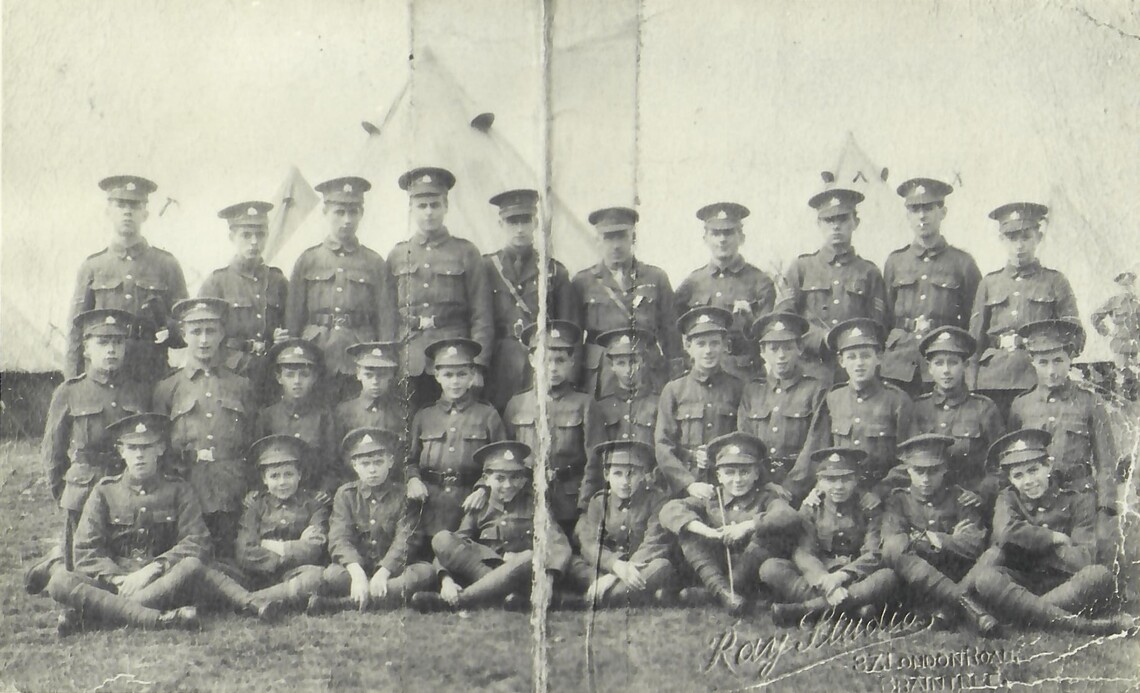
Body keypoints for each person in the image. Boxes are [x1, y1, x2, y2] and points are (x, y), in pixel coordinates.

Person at [44, 413, 279, 636]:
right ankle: (159, 619)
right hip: (116, 584)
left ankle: (100, 615)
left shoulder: (179, 489)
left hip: (163, 583)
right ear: (121, 451)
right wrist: (117, 579)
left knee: (192, 565)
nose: (139, 456)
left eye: (146, 448)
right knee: (60, 580)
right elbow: (86, 551)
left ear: (160, 449)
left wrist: (152, 570)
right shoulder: (104, 492)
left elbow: (197, 541)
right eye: (133, 448)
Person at [28, 309, 150, 590]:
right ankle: (58, 566)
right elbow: (53, 453)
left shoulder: (139, 391)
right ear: (87, 347)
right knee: (80, 569)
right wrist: (65, 492)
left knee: (122, 558)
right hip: (84, 487)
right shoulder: (70, 392)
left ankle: (56, 564)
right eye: (102, 343)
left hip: (125, 485)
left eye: (117, 343)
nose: (111, 350)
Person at [967, 429, 1131, 635]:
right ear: (1010, 479)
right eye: (1018, 475)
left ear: (1048, 466)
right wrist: (1054, 538)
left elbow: (1083, 559)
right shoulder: (1007, 498)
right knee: (986, 579)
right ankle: (1088, 626)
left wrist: (1029, 545)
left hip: (1065, 586)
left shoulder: (1078, 499)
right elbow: (1005, 532)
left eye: (1033, 470)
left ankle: (1022, 617)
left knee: (1098, 575)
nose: (1028, 481)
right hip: (1023, 582)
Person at [411, 441, 573, 613]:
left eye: (515, 477)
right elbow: (450, 549)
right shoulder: (480, 507)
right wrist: (446, 580)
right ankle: (507, 596)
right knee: (442, 539)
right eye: (500, 478)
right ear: (486, 479)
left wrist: (548, 578)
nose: (508, 485)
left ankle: (460, 600)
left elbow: (558, 542)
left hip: (523, 573)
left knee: (528, 558)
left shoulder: (534, 505)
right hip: (484, 572)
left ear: (524, 478)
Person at [1008, 319, 1121, 560]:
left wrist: (1106, 510)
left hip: (1080, 504)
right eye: (1043, 362)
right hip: (1034, 506)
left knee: (1086, 562)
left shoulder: (1090, 403)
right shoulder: (1020, 406)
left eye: (1058, 360)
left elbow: (1106, 464)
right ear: (1032, 362)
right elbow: (1010, 462)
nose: (1052, 370)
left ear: (1070, 359)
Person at [152, 298, 256, 559]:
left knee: (230, 559)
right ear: (184, 335)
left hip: (231, 488)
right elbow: (159, 446)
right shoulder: (168, 388)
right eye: (196, 332)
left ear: (222, 334)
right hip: (187, 487)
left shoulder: (241, 386)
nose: (204, 339)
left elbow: (255, 441)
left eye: (211, 331)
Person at [660, 432, 802, 615]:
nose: (737, 480)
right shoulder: (711, 498)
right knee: (688, 534)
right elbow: (670, 510)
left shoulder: (766, 497)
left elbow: (788, 515)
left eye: (744, 472)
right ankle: (724, 593)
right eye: (729, 473)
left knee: (770, 532)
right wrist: (709, 532)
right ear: (718, 475)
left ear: (756, 473)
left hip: (752, 575)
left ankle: (716, 594)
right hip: (718, 567)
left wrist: (747, 526)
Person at [388, 167, 493, 411]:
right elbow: (387, 315)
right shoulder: (397, 255)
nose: (428, 213)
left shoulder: (466, 252)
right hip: (409, 359)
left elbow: (482, 315)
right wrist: (390, 362)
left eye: (434, 205)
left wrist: (476, 365)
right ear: (411, 209)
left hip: (454, 362)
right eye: (422, 206)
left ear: (446, 206)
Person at [67, 175, 188, 387]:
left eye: (135, 205)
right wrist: (72, 383)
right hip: (103, 379)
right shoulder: (93, 266)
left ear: (145, 213)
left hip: (151, 375)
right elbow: (76, 330)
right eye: (120, 205)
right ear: (108, 212)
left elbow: (186, 328)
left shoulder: (166, 264)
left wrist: (166, 327)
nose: (127, 211)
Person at [286, 176, 397, 404]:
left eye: (353, 212)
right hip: (316, 354)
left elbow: (386, 320)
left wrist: (381, 363)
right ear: (325, 212)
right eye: (339, 212)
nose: (347, 220)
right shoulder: (308, 260)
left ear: (361, 214)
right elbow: (293, 319)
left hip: (359, 355)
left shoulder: (373, 262)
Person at [761, 446, 898, 626]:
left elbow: (874, 552)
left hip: (855, 575)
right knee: (770, 567)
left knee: (888, 576)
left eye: (846, 479)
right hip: (821, 573)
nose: (839, 486)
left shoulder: (869, 507)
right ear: (819, 481)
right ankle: (854, 609)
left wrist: (841, 576)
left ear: (856, 479)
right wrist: (824, 581)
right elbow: (804, 551)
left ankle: (805, 610)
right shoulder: (811, 507)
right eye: (831, 479)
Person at [787, 318, 913, 505]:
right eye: (852, 357)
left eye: (865, 356)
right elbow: (814, 451)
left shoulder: (897, 400)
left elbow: (911, 458)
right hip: (838, 494)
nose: (859, 363)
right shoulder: (833, 399)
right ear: (841, 361)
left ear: (879, 357)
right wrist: (790, 491)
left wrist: (880, 492)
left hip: (881, 496)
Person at [308, 428, 435, 613]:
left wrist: (384, 571)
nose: (372, 470)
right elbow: (339, 538)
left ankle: (344, 603)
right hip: (358, 568)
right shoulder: (346, 495)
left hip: (394, 571)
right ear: (355, 465)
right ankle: (384, 597)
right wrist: (357, 574)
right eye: (365, 464)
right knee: (332, 574)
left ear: (390, 462)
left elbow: (405, 539)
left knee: (425, 573)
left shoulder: (403, 496)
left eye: (378, 462)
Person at [969, 202, 1078, 416]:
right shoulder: (990, 283)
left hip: (1037, 380)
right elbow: (974, 343)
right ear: (1001, 239)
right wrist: (972, 388)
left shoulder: (1055, 281)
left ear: (1038, 237)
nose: (1019, 246)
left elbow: (1074, 335)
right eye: (1012, 238)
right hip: (993, 381)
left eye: (1026, 237)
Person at [881, 434, 996, 634]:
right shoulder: (898, 501)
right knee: (894, 550)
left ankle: (945, 611)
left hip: (954, 574)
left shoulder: (961, 499)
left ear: (944, 469)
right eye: (918, 471)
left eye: (933, 471)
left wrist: (928, 539)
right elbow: (894, 546)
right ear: (908, 469)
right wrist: (952, 539)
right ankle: (963, 604)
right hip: (914, 584)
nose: (925, 479)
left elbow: (973, 546)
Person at [777, 187, 888, 385]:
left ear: (856, 222)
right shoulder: (801, 268)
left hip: (853, 377)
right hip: (808, 373)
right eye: (829, 220)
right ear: (818, 224)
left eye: (843, 219)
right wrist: (822, 338)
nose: (836, 226)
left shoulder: (869, 272)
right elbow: (785, 322)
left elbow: (878, 327)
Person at [503, 320, 604, 537]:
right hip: (526, 501)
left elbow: (595, 460)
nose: (552, 368)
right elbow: (507, 458)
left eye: (560, 360)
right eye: (545, 360)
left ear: (571, 362)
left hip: (570, 503)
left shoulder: (585, 404)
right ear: (532, 360)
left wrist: (584, 507)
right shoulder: (517, 404)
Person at [481, 188, 580, 410]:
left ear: (535, 223)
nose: (519, 229)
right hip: (499, 364)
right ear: (500, 224)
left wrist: (570, 376)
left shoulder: (554, 270)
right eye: (512, 222)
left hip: (542, 362)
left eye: (525, 221)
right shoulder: (486, 267)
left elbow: (570, 330)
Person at [881, 178, 981, 396]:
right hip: (898, 364)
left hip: (942, 362)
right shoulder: (895, 262)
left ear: (943, 212)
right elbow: (884, 317)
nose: (922, 216)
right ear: (908, 215)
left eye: (928, 208)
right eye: (915, 209)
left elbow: (972, 321)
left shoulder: (962, 263)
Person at [572, 206, 681, 398]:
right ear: (597, 240)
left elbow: (671, 333)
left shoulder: (656, 278)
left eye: (621, 236)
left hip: (648, 373)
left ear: (633, 237)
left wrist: (677, 377)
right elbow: (574, 338)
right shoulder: (583, 282)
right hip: (601, 375)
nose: (616, 245)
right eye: (608, 237)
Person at [408, 338, 505, 537]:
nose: (455, 381)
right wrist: (412, 480)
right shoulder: (424, 416)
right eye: (448, 375)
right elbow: (409, 461)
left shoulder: (487, 415)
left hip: (472, 505)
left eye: (461, 374)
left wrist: (484, 490)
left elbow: (501, 461)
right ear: (437, 376)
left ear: (471, 376)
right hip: (430, 507)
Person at [199, 200, 289, 402]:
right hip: (230, 373)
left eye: (260, 234)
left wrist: (282, 338)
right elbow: (201, 335)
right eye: (246, 235)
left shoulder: (278, 281)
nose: (254, 242)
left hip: (271, 374)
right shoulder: (217, 283)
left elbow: (291, 326)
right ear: (232, 237)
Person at [675, 202, 776, 381]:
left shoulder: (760, 281)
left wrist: (749, 321)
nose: (722, 239)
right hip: (702, 378)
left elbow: (768, 338)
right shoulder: (692, 283)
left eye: (729, 232)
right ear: (705, 238)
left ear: (741, 237)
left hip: (744, 376)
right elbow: (674, 331)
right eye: (715, 233)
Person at [568, 441, 676, 607]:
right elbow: (590, 543)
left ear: (643, 474)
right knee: (573, 564)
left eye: (631, 474)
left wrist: (618, 573)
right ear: (606, 474)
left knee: (661, 566)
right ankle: (614, 592)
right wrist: (615, 565)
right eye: (617, 474)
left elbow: (655, 543)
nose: (625, 482)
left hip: (640, 567)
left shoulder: (657, 500)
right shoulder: (599, 501)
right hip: (606, 567)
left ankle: (584, 600)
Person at [911, 327, 1004, 510]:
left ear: (965, 365)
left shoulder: (984, 408)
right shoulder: (918, 408)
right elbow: (906, 462)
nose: (946, 370)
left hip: (969, 503)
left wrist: (981, 493)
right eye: (939, 363)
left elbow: (1001, 464)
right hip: (927, 506)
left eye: (953, 362)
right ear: (929, 368)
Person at [655, 307, 743, 498]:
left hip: (730, 487)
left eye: (714, 343)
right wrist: (688, 484)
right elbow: (663, 446)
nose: (708, 351)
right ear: (688, 346)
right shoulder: (674, 390)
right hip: (685, 488)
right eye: (701, 344)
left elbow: (745, 438)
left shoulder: (738, 388)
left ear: (724, 345)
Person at [235, 435, 329, 613]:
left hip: (298, 573)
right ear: (264, 479)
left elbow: (315, 548)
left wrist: (268, 545)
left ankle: (252, 601)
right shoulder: (256, 507)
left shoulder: (313, 505)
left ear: (299, 475)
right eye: (274, 476)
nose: (282, 482)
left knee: (317, 576)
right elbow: (243, 552)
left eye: (289, 474)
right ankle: (278, 598)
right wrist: (296, 546)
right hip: (259, 576)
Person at [737, 312, 826, 489]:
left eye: (787, 348)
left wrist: (790, 488)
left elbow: (815, 445)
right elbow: (745, 443)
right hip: (758, 487)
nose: (781, 355)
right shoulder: (752, 391)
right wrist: (764, 485)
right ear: (762, 351)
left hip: (801, 487)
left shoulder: (815, 390)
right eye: (774, 348)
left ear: (800, 348)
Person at [255, 339, 341, 494]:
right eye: (290, 375)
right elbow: (258, 464)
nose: (297, 381)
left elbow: (332, 465)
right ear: (279, 378)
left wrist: (324, 491)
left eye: (304, 375)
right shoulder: (267, 416)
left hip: (314, 496)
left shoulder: (323, 416)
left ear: (314, 378)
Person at [593, 328, 661, 447]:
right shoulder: (600, 407)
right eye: (621, 363)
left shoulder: (659, 404)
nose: (628, 370)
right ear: (612, 366)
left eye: (633, 362)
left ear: (643, 362)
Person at [334, 341, 408, 445]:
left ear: (391, 375)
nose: (375, 382)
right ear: (358, 374)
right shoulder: (344, 411)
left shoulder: (401, 410)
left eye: (382, 375)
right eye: (368, 375)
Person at [1091, 269, 1140, 396]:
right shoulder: (1114, 301)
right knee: (1121, 378)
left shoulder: (1137, 303)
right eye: (1125, 285)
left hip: (1136, 346)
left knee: (1136, 380)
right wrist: (1106, 332)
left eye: (1130, 284)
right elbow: (1095, 317)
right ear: (1120, 286)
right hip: (1120, 345)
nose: (1128, 288)